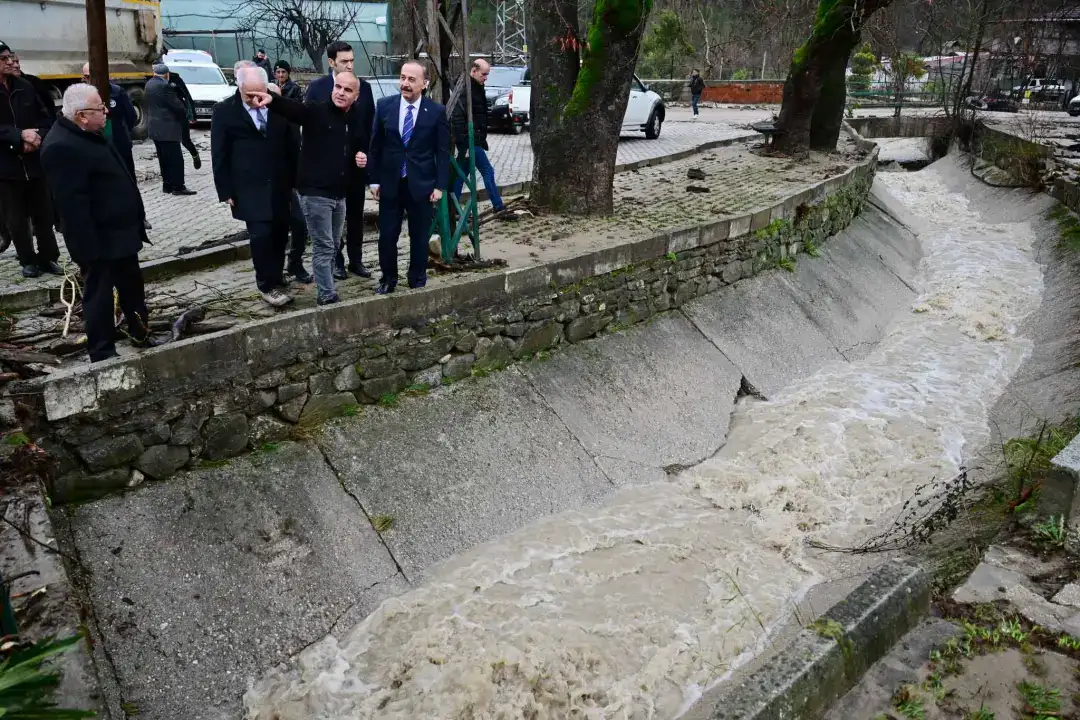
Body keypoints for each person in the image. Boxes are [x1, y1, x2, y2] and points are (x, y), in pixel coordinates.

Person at [40, 84, 155, 362]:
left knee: (132, 287)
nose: (106, 112)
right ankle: (102, 351)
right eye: (99, 108)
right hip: (97, 239)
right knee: (100, 294)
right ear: (80, 115)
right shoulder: (61, 147)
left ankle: (139, 333)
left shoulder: (90, 133)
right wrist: (87, 250)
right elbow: (72, 206)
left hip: (120, 232)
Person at [248, 71, 372, 305]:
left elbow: (360, 144)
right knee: (324, 246)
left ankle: (324, 281)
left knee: (334, 245)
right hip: (315, 192)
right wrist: (272, 100)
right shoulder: (317, 112)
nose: (340, 93)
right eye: (338, 87)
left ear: (356, 96)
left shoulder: (355, 117)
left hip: (339, 194)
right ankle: (326, 295)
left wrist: (361, 157)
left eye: (347, 90)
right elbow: (296, 110)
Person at [211, 66, 301, 307]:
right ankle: (266, 285)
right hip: (248, 187)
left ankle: (276, 274)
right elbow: (218, 154)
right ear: (239, 88)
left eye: (258, 93)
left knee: (280, 233)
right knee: (261, 235)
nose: (254, 99)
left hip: (280, 185)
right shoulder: (224, 112)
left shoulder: (278, 107)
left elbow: (293, 145)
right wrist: (226, 190)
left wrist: (297, 180)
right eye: (248, 95)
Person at [369, 61, 449, 294]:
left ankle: (417, 278)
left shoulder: (436, 112)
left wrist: (440, 186)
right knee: (387, 236)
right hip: (390, 184)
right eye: (403, 78)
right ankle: (388, 278)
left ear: (424, 84)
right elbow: (375, 146)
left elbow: (442, 152)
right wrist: (374, 180)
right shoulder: (384, 106)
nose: (405, 83)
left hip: (421, 184)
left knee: (419, 236)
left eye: (411, 80)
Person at [0, 42, 62, 278]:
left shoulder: (25, 87)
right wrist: (17, 136)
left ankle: (48, 258)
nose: (9, 61)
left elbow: (46, 118)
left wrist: (37, 137)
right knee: (15, 218)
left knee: (44, 214)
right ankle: (27, 261)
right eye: (3, 58)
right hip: (7, 167)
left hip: (35, 162)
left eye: (10, 57)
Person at [451, 59, 504, 217]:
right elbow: (458, 117)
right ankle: (498, 206)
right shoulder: (465, 89)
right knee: (487, 171)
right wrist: (465, 142)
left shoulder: (476, 86)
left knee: (461, 176)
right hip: (470, 140)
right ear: (473, 71)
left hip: (474, 139)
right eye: (484, 74)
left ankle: (453, 209)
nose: (486, 78)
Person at [145, 63, 196, 195]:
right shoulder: (165, 86)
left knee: (164, 158)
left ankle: (167, 185)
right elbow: (177, 106)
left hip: (155, 128)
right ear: (167, 75)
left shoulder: (149, 84)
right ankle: (178, 186)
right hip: (168, 128)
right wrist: (184, 112)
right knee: (175, 159)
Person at [81, 63, 137, 179]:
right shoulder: (82, 95)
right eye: (86, 76)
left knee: (126, 175)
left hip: (119, 141)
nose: (89, 79)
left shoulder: (117, 92)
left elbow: (130, 116)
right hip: (95, 145)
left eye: (91, 76)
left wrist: (123, 132)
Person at [165, 68, 201, 169]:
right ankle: (176, 165)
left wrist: (192, 114)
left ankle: (195, 155)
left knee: (185, 140)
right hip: (167, 116)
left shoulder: (175, 79)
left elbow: (187, 96)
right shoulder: (155, 82)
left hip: (181, 113)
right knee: (172, 141)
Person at [11, 54, 56, 119]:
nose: (17, 65)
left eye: (17, 62)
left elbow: (48, 107)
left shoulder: (34, 82)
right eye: (12, 62)